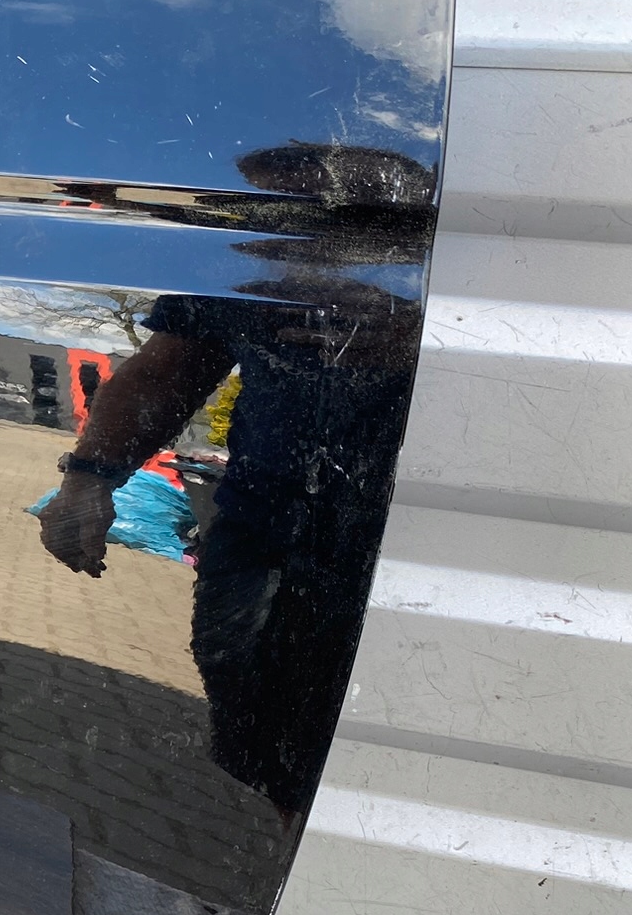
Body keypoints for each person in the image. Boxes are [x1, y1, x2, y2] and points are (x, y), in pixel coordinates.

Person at [38, 279, 418, 815]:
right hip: (264, 535)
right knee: (265, 736)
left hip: (434, 545)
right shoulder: (257, 251)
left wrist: (431, 344)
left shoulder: (470, 256)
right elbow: (168, 370)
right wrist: (88, 479)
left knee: (401, 754)